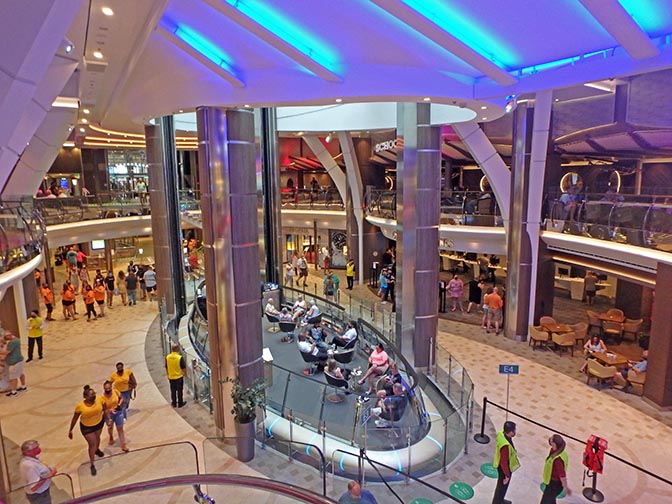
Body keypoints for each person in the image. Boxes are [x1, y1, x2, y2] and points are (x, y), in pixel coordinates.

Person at [68, 385, 106, 476]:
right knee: (92, 444)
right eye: (91, 395)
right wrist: (71, 430)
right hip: (87, 427)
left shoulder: (100, 400)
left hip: (99, 423)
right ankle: (92, 463)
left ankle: (97, 449)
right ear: (85, 397)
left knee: (98, 438)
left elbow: (105, 408)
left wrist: (107, 418)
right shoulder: (80, 406)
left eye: (94, 394)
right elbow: (75, 418)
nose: (93, 396)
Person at [19, 439, 57, 504]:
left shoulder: (30, 459)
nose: (38, 449)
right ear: (28, 452)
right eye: (36, 448)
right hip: (40, 496)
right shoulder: (30, 466)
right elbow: (34, 487)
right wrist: (50, 475)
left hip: (42, 493)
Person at [492, 421, 519, 504]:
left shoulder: (501, 434)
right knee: (501, 487)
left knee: (502, 487)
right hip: (504, 469)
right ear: (510, 432)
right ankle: (497, 502)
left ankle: (500, 500)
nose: (515, 432)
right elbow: (504, 462)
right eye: (514, 430)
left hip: (503, 466)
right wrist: (507, 475)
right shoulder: (505, 446)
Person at [540, 434, 571, 503]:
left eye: (551, 439)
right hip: (551, 483)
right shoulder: (555, 451)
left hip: (554, 485)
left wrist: (566, 487)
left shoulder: (558, 460)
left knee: (545, 501)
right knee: (550, 501)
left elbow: (562, 475)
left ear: (554, 444)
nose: (549, 439)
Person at [101, 380, 128, 452]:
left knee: (120, 428)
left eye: (109, 388)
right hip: (109, 414)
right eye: (106, 389)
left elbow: (121, 398)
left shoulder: (115, 391)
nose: (108, 390)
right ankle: (111, 436)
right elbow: (103, 409)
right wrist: (110, 410)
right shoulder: (102, 398)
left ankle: (123, 445)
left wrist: (119, 404)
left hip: (118, 412)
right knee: (110, 427)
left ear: (111, 387)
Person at [2, 332, 26, 396]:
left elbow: (7, 352)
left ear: (9, 336)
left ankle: (14, 392)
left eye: (6, 338)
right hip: (19, 360)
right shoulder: (17, 340)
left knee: (13, 377)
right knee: (21, 374)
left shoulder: (12, 343)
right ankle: (24, 386)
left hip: (15, 362)